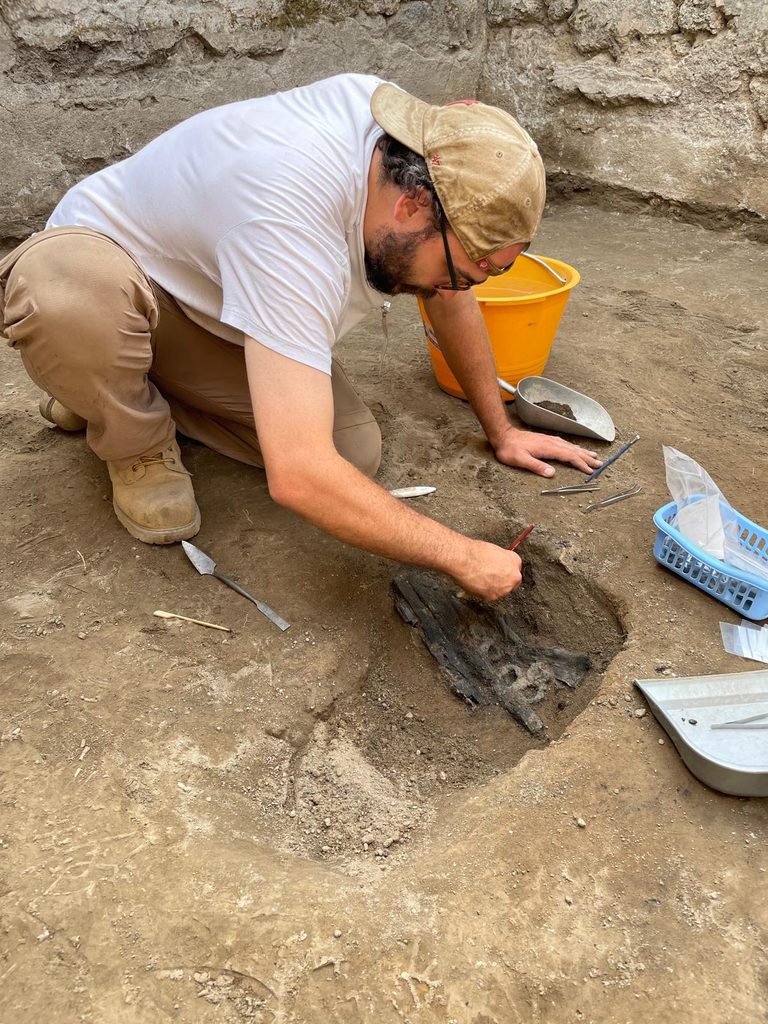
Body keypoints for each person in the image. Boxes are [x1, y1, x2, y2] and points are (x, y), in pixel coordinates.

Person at [0, 73, 601, 602]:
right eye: (464, 269)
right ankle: (130, 435)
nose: (457, 286)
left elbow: (451, 293)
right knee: (69, 296)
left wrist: (501, 430)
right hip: (114, 272)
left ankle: (110, 385)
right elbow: (298, 477)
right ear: (414, 207)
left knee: (352, 453)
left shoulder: (418, 153)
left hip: (220, 304)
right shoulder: (289, 214)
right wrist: (462, 556)